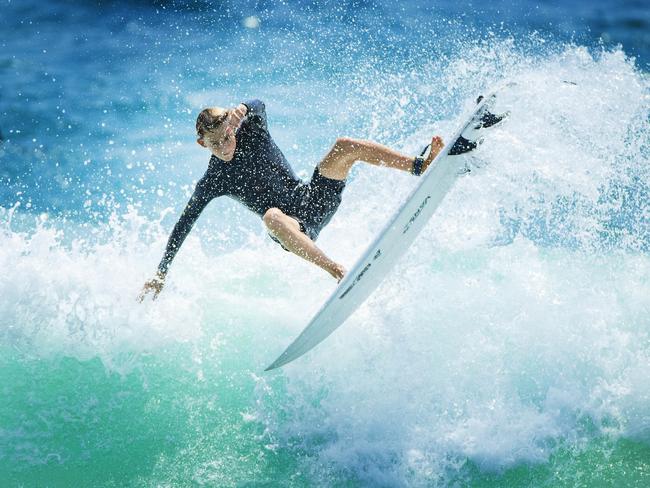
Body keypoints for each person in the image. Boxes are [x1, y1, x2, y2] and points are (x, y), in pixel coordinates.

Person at [139, 99, 445, 301]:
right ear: (200, 143)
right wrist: (161, 273)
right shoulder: (213, 180)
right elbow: (183, 224)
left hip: (313, 199)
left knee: (344, 146)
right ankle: (338, 272)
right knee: (271, 216)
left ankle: (419, 166)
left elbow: (258, 105)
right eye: (214, 143)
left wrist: (243, 108)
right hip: (291, 229)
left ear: (233, 128)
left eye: (227, 137)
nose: (223, 146)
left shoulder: (252, 129)